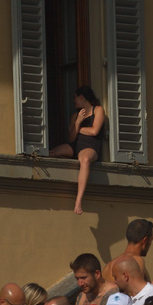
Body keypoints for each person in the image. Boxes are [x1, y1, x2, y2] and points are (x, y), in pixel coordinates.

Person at [48, 86, 106, 216]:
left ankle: (78, 200)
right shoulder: (76, 115)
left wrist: (78, 129)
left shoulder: (98, 110)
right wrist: (78, 121)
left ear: (82, 98)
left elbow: (94, 131)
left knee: (84, 160)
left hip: (90, 146)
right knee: (52, 153)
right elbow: (72, 137)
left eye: (75, 99)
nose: (74, 102)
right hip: (76, 145)